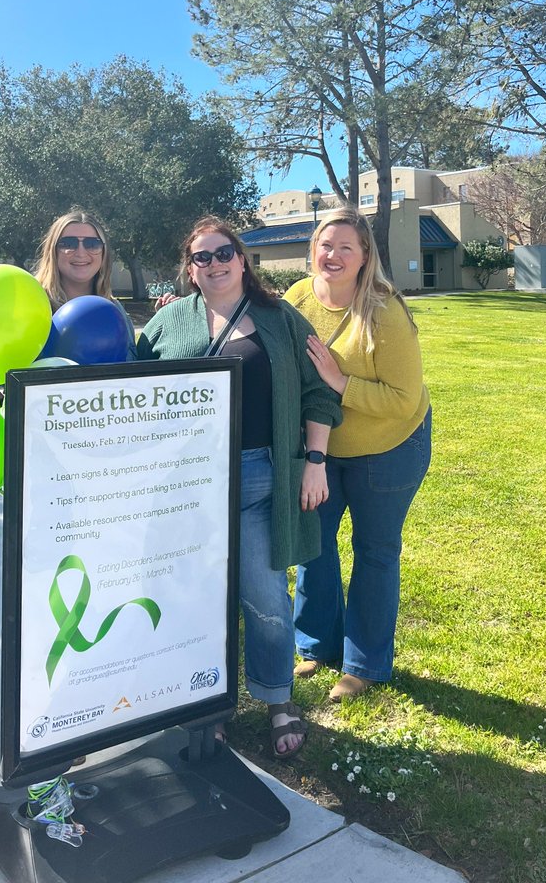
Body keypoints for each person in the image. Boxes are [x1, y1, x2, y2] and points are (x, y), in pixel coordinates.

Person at [137, 216, 342, 758]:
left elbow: (320, 392)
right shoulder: (167, 324)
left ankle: (277, 698)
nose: (214, 264)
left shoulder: (280, 319)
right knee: (197, 599)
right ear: (190, 267)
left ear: (242, 258)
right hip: (186, 484)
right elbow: (134, 394)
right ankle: (209, 704)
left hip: (260, 475)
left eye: (223, 252)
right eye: (201, 257)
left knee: (266, 595)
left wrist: (315, 459)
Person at [284, 207, 431, 702]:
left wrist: (340, 382)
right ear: (312, 250)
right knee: (313, 545)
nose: (334, 255)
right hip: (319, 449)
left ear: (366, 256)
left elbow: (402, 399)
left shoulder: (384, 312)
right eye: (326, 245)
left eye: (347, 247)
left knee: (375, 552)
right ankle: (316, 645)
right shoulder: (298, 298)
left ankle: (364, 663)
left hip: (387, 450)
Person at [0, 209, 136, 363]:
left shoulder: (114, 310)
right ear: (53, 251)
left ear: (103, 252)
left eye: (92, 244)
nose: (81, 252)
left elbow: (133, 363)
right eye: (68, 243)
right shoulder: (26, 301)